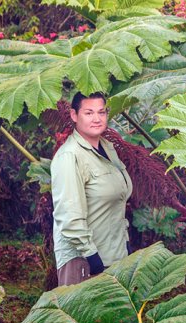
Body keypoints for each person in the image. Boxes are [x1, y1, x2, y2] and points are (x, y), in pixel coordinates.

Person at [50, 92, 132, 286]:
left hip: (114, 257)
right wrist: (93, 258)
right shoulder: (69, 156)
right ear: (74, 115)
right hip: (85, 262)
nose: (97, 119)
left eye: (101, 112)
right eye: (88, 113)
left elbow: (118, 202)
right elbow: (69, 217)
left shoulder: (108, 148)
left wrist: (125, 243)